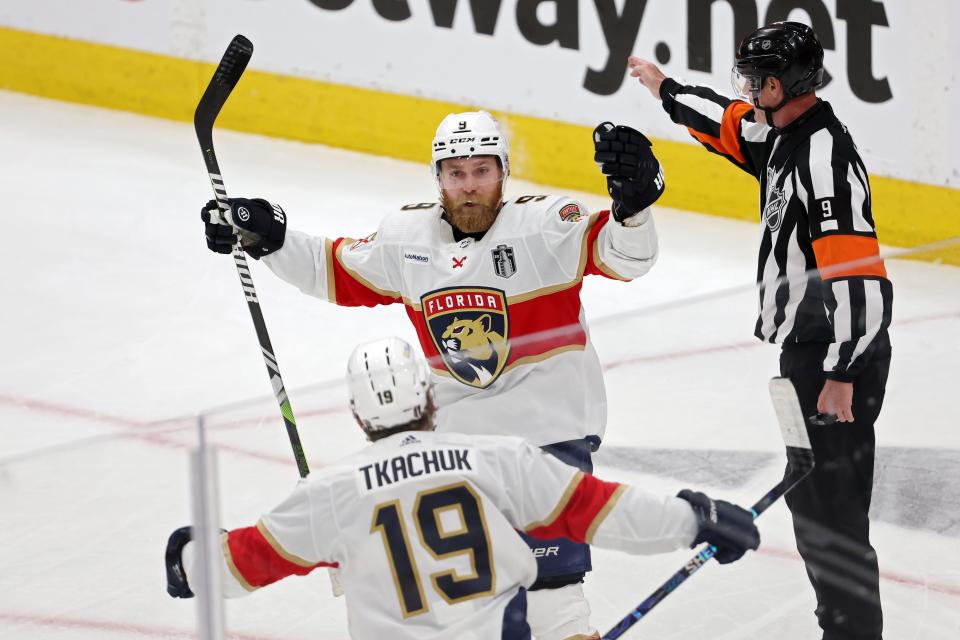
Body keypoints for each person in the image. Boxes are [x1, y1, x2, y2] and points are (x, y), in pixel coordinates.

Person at [199, 111, 666, 639]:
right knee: (463, 604)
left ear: (504, 172)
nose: (469, 186)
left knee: (553, 603)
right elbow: (336, 270)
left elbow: (627, 259)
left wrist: (633, 210)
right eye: (455, 173)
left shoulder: (548, 225)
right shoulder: (407, 237)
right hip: (454, 455)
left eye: (482, 171)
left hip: (548, 444)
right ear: (438, 177)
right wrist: (268, 237)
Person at [165, 337, 761, 639]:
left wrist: (191, 555)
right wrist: (698, 517)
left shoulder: (331, 492)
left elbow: (237, 567)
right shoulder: (495, 459)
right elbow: (600, 512)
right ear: (429, 397)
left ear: (357, 414)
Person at [628, 22, 893, 640]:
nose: (745, 87)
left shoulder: (824, 158)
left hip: (836, 361)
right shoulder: (780, 133)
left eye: (755, 79)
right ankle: (841, 625)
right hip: (812, 354)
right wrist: (666, 90)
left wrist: (842, 374)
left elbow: (860, 278)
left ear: (781, 84)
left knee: (834, 514)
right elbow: (727, 123)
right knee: (812, 504)